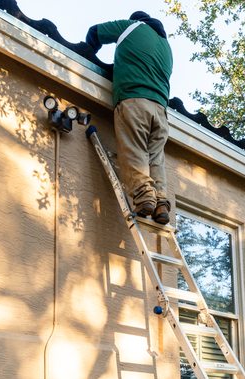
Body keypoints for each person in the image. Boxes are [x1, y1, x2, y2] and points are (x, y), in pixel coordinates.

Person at [79, 12, 174, 224]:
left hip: (134, 100)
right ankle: (161, 204)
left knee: (134, 149)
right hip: (161, 111)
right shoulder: (166, 47)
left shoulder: (132, 27)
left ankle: (144, 198)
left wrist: (87, 55)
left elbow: (95, 32)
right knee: (155, 159)